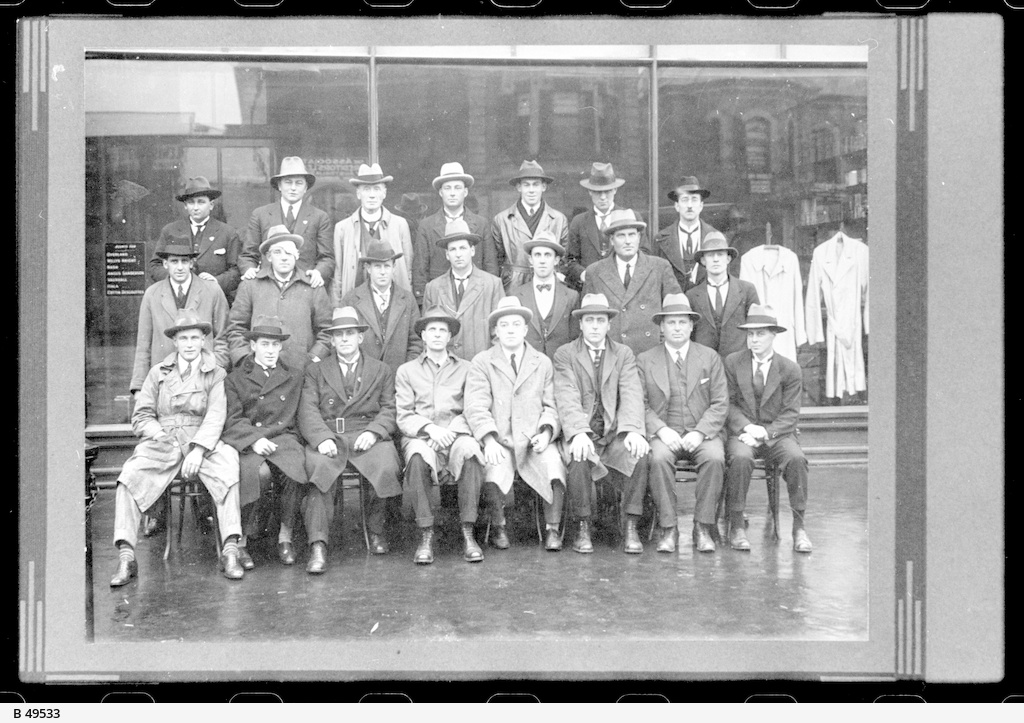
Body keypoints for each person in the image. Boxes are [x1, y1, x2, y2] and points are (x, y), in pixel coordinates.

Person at [109, 311, 243, 586]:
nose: (191, 344)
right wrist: (157, 432)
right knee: (129, 475)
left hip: (201, 442)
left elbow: (216, 415)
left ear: (204, 340)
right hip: (164, 442)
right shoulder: (158, 373)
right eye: (184, 338)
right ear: (175, 342)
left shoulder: (215, 373)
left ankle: (230, 550)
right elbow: (141, 415)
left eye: (196, 337)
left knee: (229, 465)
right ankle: (126, 556)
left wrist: (199, 450)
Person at [297, 307, 404, 573]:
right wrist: (321, 438)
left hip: (366, 432)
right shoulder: (316, 371)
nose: (345, 339)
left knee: (385, 464)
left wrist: (374, 431)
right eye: (339, 335)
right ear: (331, 341)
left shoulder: (381, 370)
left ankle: (377, 530)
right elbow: (307, 409)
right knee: (319, 470)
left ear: (360, 338)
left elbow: (389, 408)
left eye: (350, 333)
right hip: (330, 433)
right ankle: (318, 544)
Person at [464, 297, 567, 551]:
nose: (510, 329)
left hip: (534, 440)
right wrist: (488, 439)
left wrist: (546, 433)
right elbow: (475, 405)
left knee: (554, 466)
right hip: (501, 438)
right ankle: (498, 525)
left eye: (516, 324)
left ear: (525, 330)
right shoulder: (482, 362)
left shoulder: (541, 362)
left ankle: (552, 528)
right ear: (496, 331)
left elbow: (552, 404)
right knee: (492, 471)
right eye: (504, 324)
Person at [553, 293, 650, 554]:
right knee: (579, 455)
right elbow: (566, 395)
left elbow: (631, 392)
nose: (595, 326)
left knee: (638, 453)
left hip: (613, 433)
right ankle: (583, 525)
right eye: (589, 320)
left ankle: (630, 524)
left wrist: (632, 430)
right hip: (583, 432)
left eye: (600, 320)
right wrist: (577, 433)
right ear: (581, 324)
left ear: (609, 325)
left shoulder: (623, 353)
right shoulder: (565, 354)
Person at [395, 307, 493, 564]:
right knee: (417, 457)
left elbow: (472, 407)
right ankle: (426, 532)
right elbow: (404, 414)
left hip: (456, 433)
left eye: (442, 330)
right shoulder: (406, 371)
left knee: (471, 452)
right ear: (423, 336)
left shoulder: (467, 368)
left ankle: (468, 532)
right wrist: (430, 429)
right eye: (432, 330)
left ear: (450, 337)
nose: (437, 335)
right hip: (422, 435)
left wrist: (451, 431)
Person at [636, 294, 728, 554]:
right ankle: (669, 528)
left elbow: (721, 402)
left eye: (682, 322)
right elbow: (639, 403)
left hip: (702, 434)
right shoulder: (645, 359)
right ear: (661, 328)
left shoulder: (709, 357)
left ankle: (702, 527)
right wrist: (661, 430)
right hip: (664, 433)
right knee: (657, 459)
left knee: (714, 458)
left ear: (691, 326)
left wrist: (700, 432)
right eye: (671, 322)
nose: (677, 328)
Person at [723, 305, 812, 553]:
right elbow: (727, 403)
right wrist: (748, 428)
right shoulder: (733, 363)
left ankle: (799, 527)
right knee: (740, 458)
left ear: (774, 335)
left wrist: (766, 433)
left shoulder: (790, 369)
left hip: (777, 435)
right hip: (743, 433)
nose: (754, 340)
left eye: (760, 334)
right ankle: (738, 525)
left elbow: (791, 414)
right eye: (750, 335)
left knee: (796, 459)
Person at [222, 315, 309, 568]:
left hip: (283, 437)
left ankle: (285, 536)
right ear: (253, 346)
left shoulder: (293, 376)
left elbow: (298, 416)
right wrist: (254, 440)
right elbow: (232, 419)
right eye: (264, 344)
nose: (270, 351)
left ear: (281, 347)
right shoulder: (235, 378)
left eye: (275, 345)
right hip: (251, 440)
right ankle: (243, 541)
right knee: (256, 474)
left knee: (294, 468)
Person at [226, 225, 333, 372]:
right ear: (269, 257)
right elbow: (236, 327)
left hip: (301, 371)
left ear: (297, 255)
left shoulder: (313, 286)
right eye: (277, 252)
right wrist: (246, 359)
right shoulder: (250, 285)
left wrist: (314, 358)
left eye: (289, 253)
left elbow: (326, 330)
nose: (284, 257)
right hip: (258, 372)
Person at [131, 239, 231, 395]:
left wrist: (213, 369)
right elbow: (143, 345)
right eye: (174, 261)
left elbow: (223, 337)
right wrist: (139, 387)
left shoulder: (212, 291)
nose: (179, 267)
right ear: (165, 264)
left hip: (204, 381)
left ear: (192, 263)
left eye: (184, 261)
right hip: (164, 381)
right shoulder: (152, 294)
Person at [582, 209, 681, 356]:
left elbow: (675, 311)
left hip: (651, 354)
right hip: (611, 355)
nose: (628, 241)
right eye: (621, 236)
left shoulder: (660, 267)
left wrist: (661, 343)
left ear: (639, 237)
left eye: (632, 235)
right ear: (611, 240)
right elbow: (587, 319)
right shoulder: (595, 272)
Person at [239, 156, 334, 291]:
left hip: (305, 287)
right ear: (279, 185)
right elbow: (248, 255)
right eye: (288, 182)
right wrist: (249, 270)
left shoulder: (319, 217)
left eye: (299, 183)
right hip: (267, 288)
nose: (293, 188)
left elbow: (327, 258)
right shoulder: (261, 215)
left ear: (306, 187)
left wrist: (318, 272)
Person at [413, 162, 498, 305]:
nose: (452, 193)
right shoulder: (427, 226)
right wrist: (423, 301)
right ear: (440, 192)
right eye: (447, 188)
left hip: (476, 297)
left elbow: (490, 265)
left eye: (457, 188)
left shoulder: (481, 224)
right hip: (439, 299)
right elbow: (420, 269)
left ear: (465, 192)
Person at [148, 176, 241, 303]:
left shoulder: (227, 233)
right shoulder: (170, 230)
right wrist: (178, 281)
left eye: (201, 202)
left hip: (214, 300)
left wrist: (216, 282)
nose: (196, 207)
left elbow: (236, 271)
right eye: (191, 202)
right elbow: (155, 266)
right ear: (185, 206)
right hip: (178, 300)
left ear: (211, 205)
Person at [332, 163, 415, 305]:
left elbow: (407, 270)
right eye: (366, 189)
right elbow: (338, 274)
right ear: (358, 194)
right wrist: (338, 309)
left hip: (391, 303)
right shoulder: (343, 228)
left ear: (384, 193)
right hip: (355, 303)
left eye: (376, 189)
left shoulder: (400, 225)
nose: (371, 195)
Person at [422, 219, 504, 360]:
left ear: (472, 251)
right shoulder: (433, 288)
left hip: (480, 367)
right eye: (453, 249)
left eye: (463, 248)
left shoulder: (492, 284)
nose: (458, 254)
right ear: (447, 255)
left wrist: (489, 367)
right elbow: (427, 337)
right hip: (446, 368)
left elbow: (499, 333)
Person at [338, 238, 422, 373]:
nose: (383, 272)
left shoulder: (407, 299)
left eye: (387, 266)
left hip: (398, 378)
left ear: (394, 268)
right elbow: (343, 343)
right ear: (368, 268)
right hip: (363, 379)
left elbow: (416, 342)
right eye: (377, 266)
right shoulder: (351, 300)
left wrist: (405, 373)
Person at [563, 162, 650, 291]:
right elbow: (570, 261)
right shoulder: (579, 222)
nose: (603, 197)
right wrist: (584, 274)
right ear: (590, 192)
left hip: (623, 288)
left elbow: (644, 253)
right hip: (590, 290)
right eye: (598, 192)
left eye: (607, 191)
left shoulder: (631, 217)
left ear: (615, 190)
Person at [490, 160, 569, 291]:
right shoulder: (502, 220)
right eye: (526, 185)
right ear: (519, 187)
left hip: (547, 283)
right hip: (513, 285)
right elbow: (497, 260)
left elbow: (563, 259)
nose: (531, 190)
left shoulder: (558, 220)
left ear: (544, 187)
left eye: (536, 185)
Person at [685, 232, 761, 359]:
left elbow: (756, 329)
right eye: (710, 255)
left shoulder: (747, 290)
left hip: (739, 363)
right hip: (704, 364)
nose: (715, 259)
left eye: (720, 254)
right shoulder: (692, 295)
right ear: (703, 260)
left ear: (728, 259)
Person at [509, 231, 580, 361]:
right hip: (527, 367)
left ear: (556, 260)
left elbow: (576, 339)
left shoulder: (571, 296)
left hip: (561, 368)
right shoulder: (517, 295)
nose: (542, 260)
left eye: (548, 255)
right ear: (530, 260)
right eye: (537, 255)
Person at [653, 176, 720, 292]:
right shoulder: (660, 240)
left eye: (694, 199)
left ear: (701, 206)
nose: (689, 205)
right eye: (684, 199)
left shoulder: (716, 237)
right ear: (677, 206)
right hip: (673, 305)